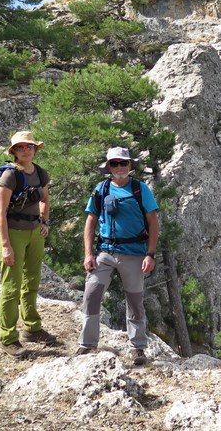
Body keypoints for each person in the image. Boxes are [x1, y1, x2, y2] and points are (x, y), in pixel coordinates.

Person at [76, 146, 159, 365]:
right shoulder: (101, 189)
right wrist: (88, 253)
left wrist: (150, 254)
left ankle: (138, 348)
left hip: (133, 253)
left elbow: (153, 222)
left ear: (131, 166)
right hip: (105, 252)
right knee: (91, 295)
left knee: (134, 300)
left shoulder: (140, 189)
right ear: (109, 167)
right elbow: (90, 221)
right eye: (115, 163)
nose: (120, 167)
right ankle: (87, 345)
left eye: (123, 163)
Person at [0, 130, 56, 357]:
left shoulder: (40, 173)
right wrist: (5, 245)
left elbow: (45, 199)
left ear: (35, 149)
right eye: (20, 147)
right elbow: (0, 212)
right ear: (14, 151)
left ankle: (32, 328)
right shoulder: (10, 176)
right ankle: (8, 338)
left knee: (31, 281)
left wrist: (45, 222)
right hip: (13, 233)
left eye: (29, 146)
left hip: (34, 233)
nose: (26, 150)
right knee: (11, 286)